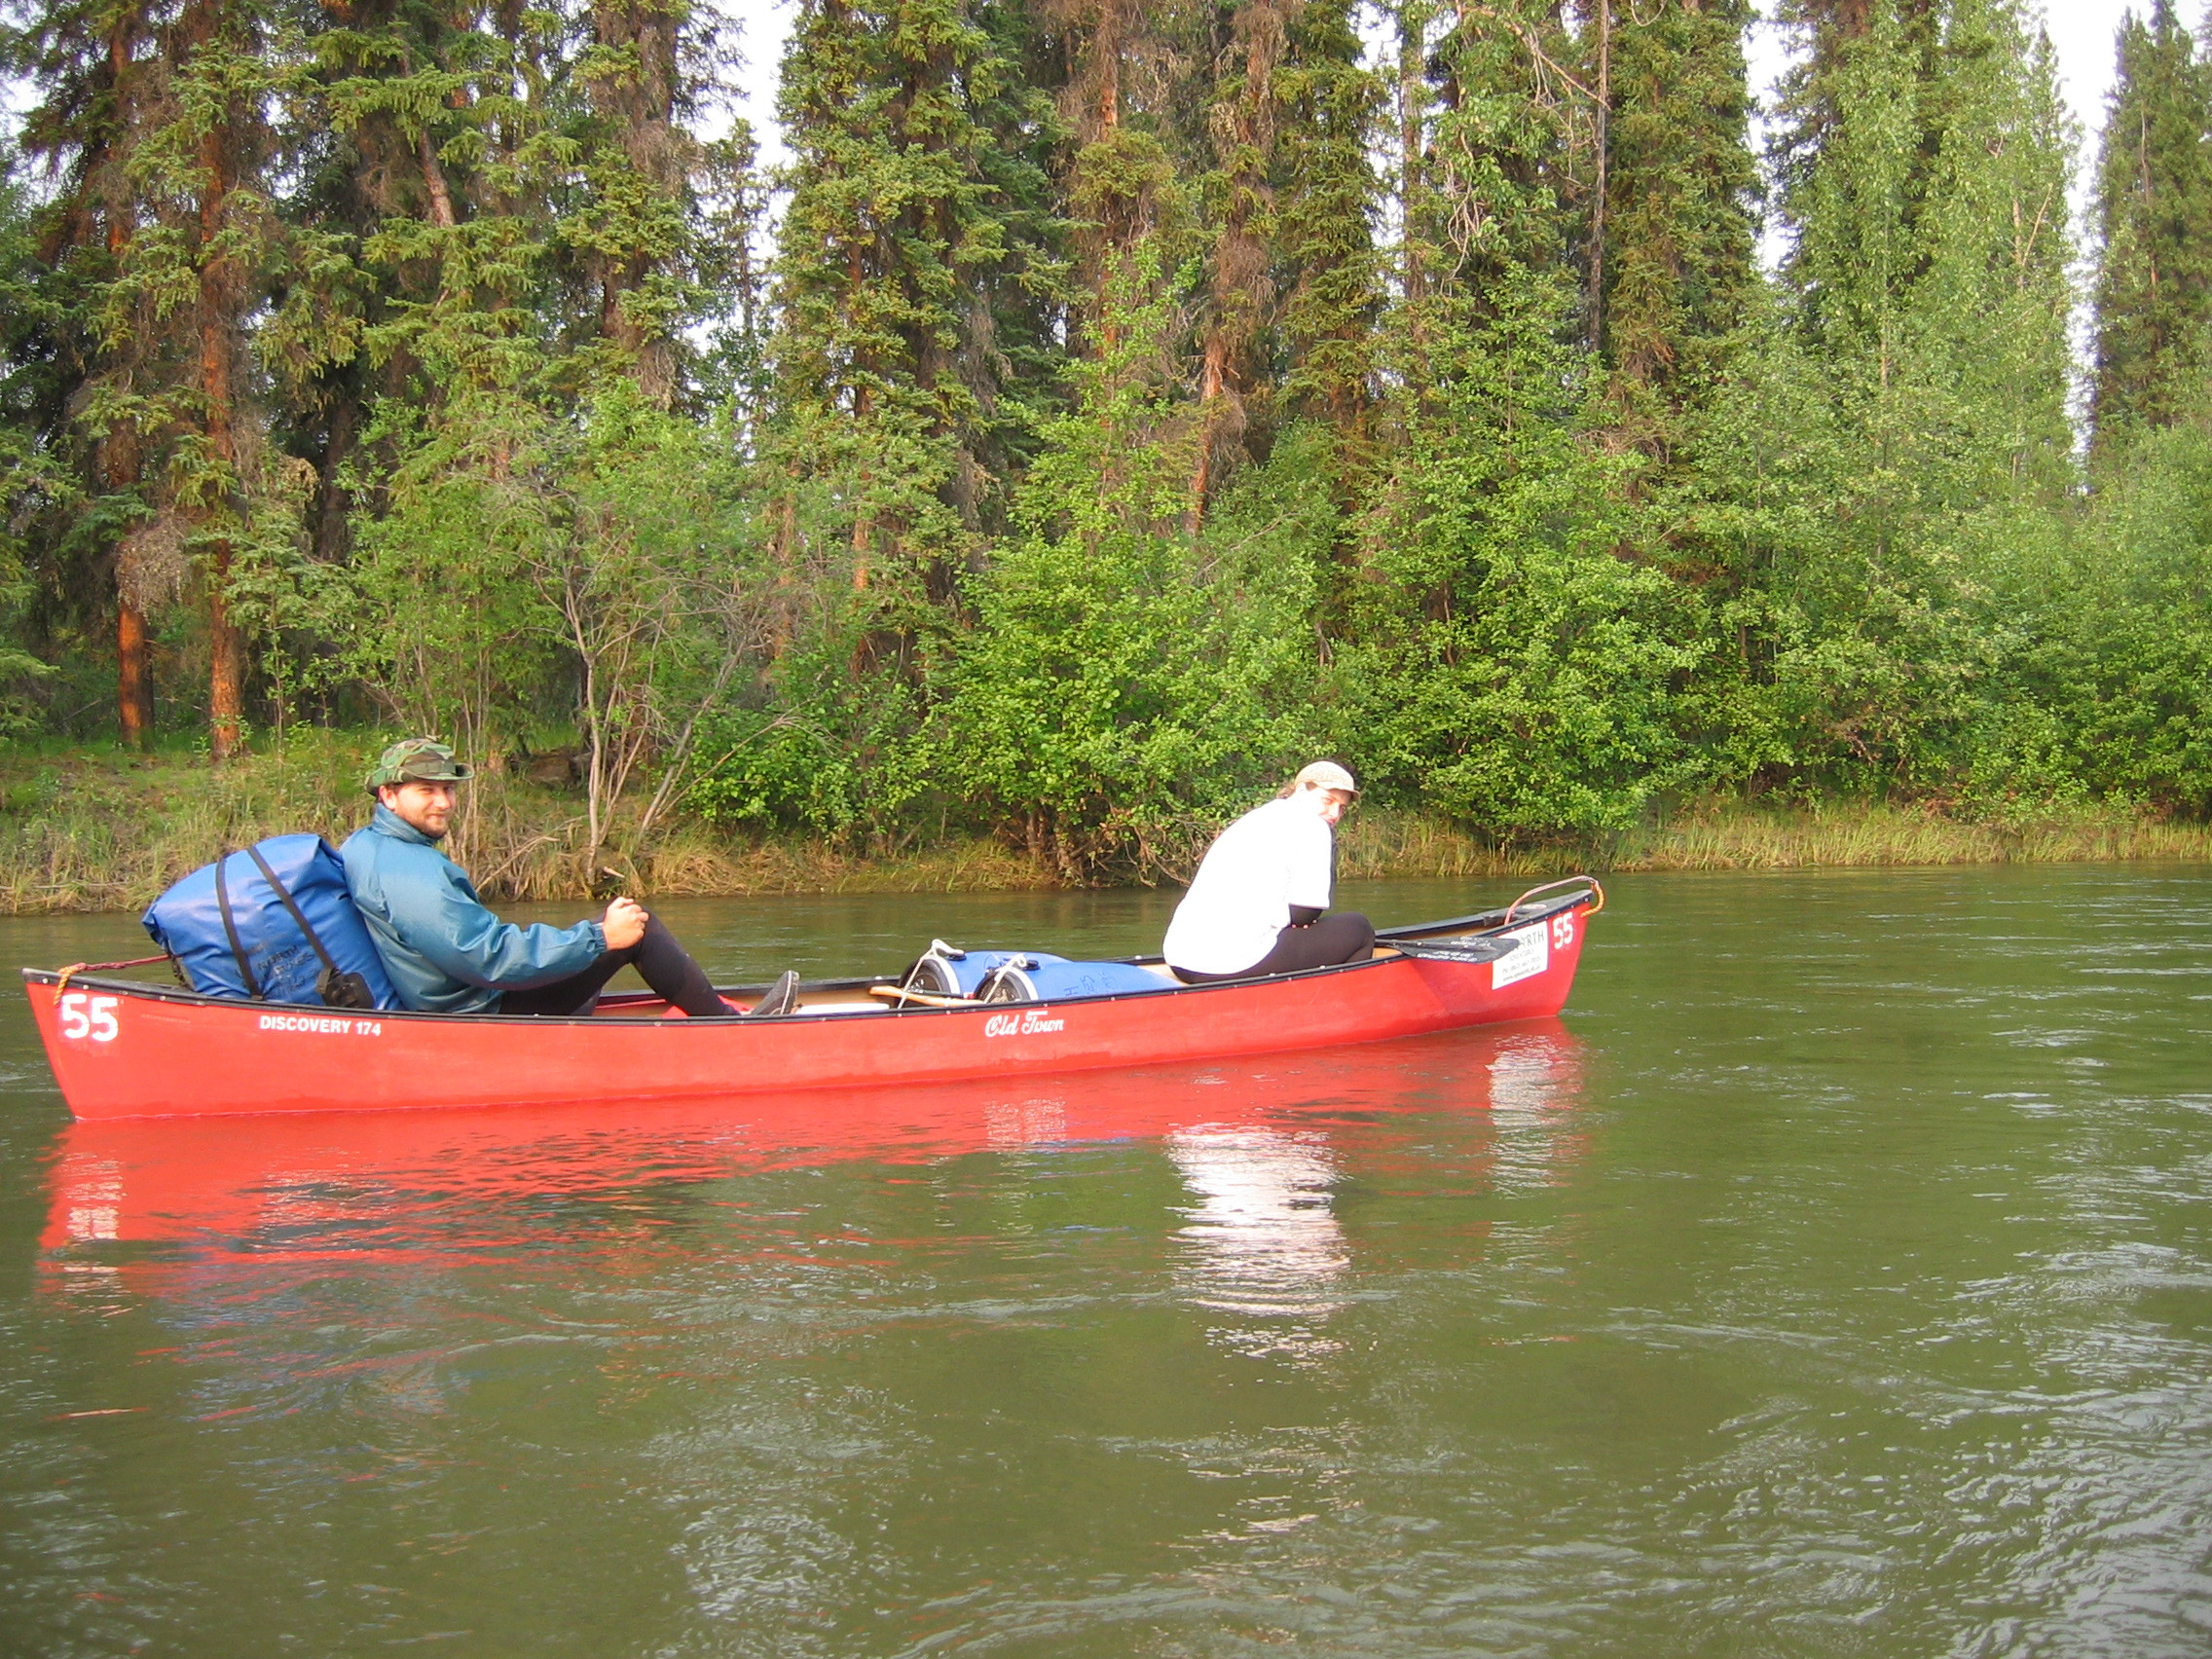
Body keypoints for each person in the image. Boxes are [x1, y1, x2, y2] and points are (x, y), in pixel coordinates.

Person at [341, 738, 796, 1018]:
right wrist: (599, 939)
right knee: (636, 927)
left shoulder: (366, 844)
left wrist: (584, 942)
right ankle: (728, 1028)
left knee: (604, 932)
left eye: (448, 789)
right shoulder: (412, 871)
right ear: (389, 795)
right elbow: (487, 957)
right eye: (427, 790)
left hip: (455, 998)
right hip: (483, 1010)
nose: (443, 802)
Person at [1161, 761, 1376, 984]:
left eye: (1341, 808)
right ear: (1302, 790)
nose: (1334, 814)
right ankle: (1345, 999)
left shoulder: (1257, 817)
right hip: (1229, 964)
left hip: (1180, 959)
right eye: (1328, 800)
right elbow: (1306, 912)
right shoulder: (1314, 824)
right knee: (1358, 927)